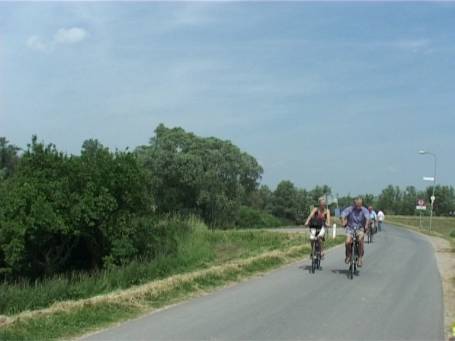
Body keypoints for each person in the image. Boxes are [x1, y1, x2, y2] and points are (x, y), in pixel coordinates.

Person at [341, 197, 369, 267]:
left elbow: (367, 218)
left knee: (360, 240)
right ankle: (348, 256)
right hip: (350, 228)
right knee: (347, 242)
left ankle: (360, 258)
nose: (358, 206)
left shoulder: (364, 210)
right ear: (354, 204)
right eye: (357, 205)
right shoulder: (350, 209)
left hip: (360, 229)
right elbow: (343, 214)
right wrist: (343, 221)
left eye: (360, 204)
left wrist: (366, 225)